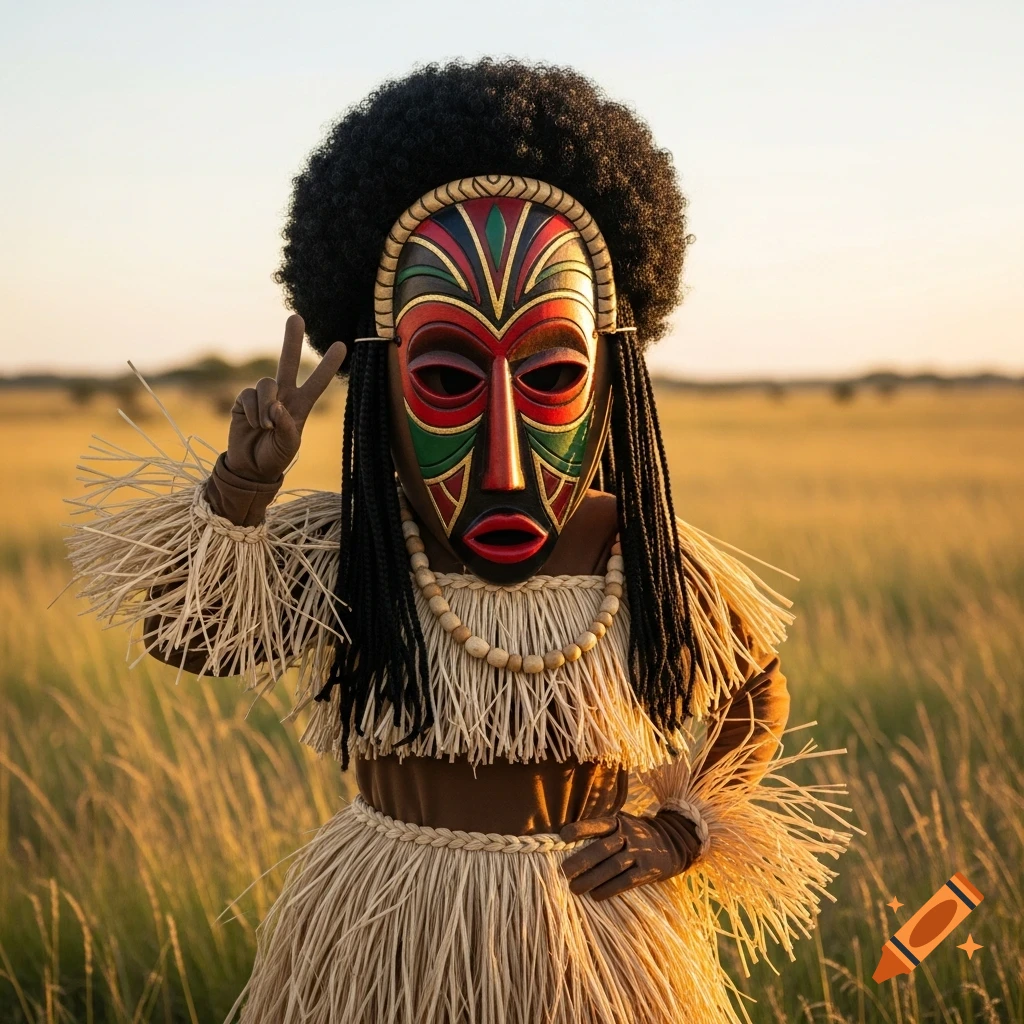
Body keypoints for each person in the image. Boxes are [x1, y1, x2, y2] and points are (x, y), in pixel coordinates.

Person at [67, 59, 852, 1024]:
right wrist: (245, 484)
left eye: (552, 374)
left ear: (612, 380)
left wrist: (682, 829)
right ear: (383, 388)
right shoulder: (358, 548)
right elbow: (189, 640)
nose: (506, 460)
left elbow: (753, 689)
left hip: (595, 946)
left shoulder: (640, 557)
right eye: (446, 381)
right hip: (383, 934)